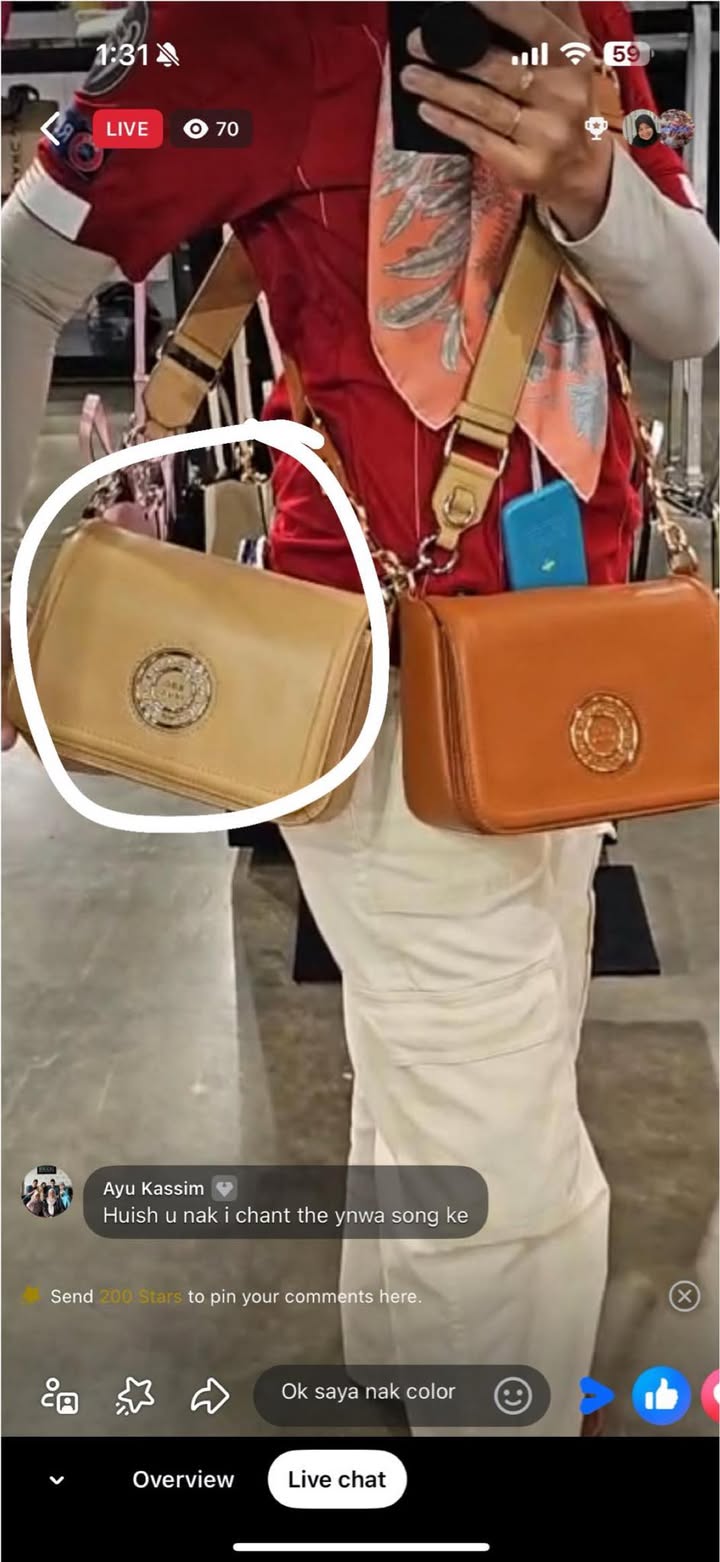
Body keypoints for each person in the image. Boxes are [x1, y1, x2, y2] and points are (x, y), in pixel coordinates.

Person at [2, 2, 718, 1437]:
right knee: (500, 1182)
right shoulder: (227, 26)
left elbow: (690, 308)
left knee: (443, 1108)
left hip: (569, 668)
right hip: (386, 675)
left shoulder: (577, 20)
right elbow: (24, 265)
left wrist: (595, 186)